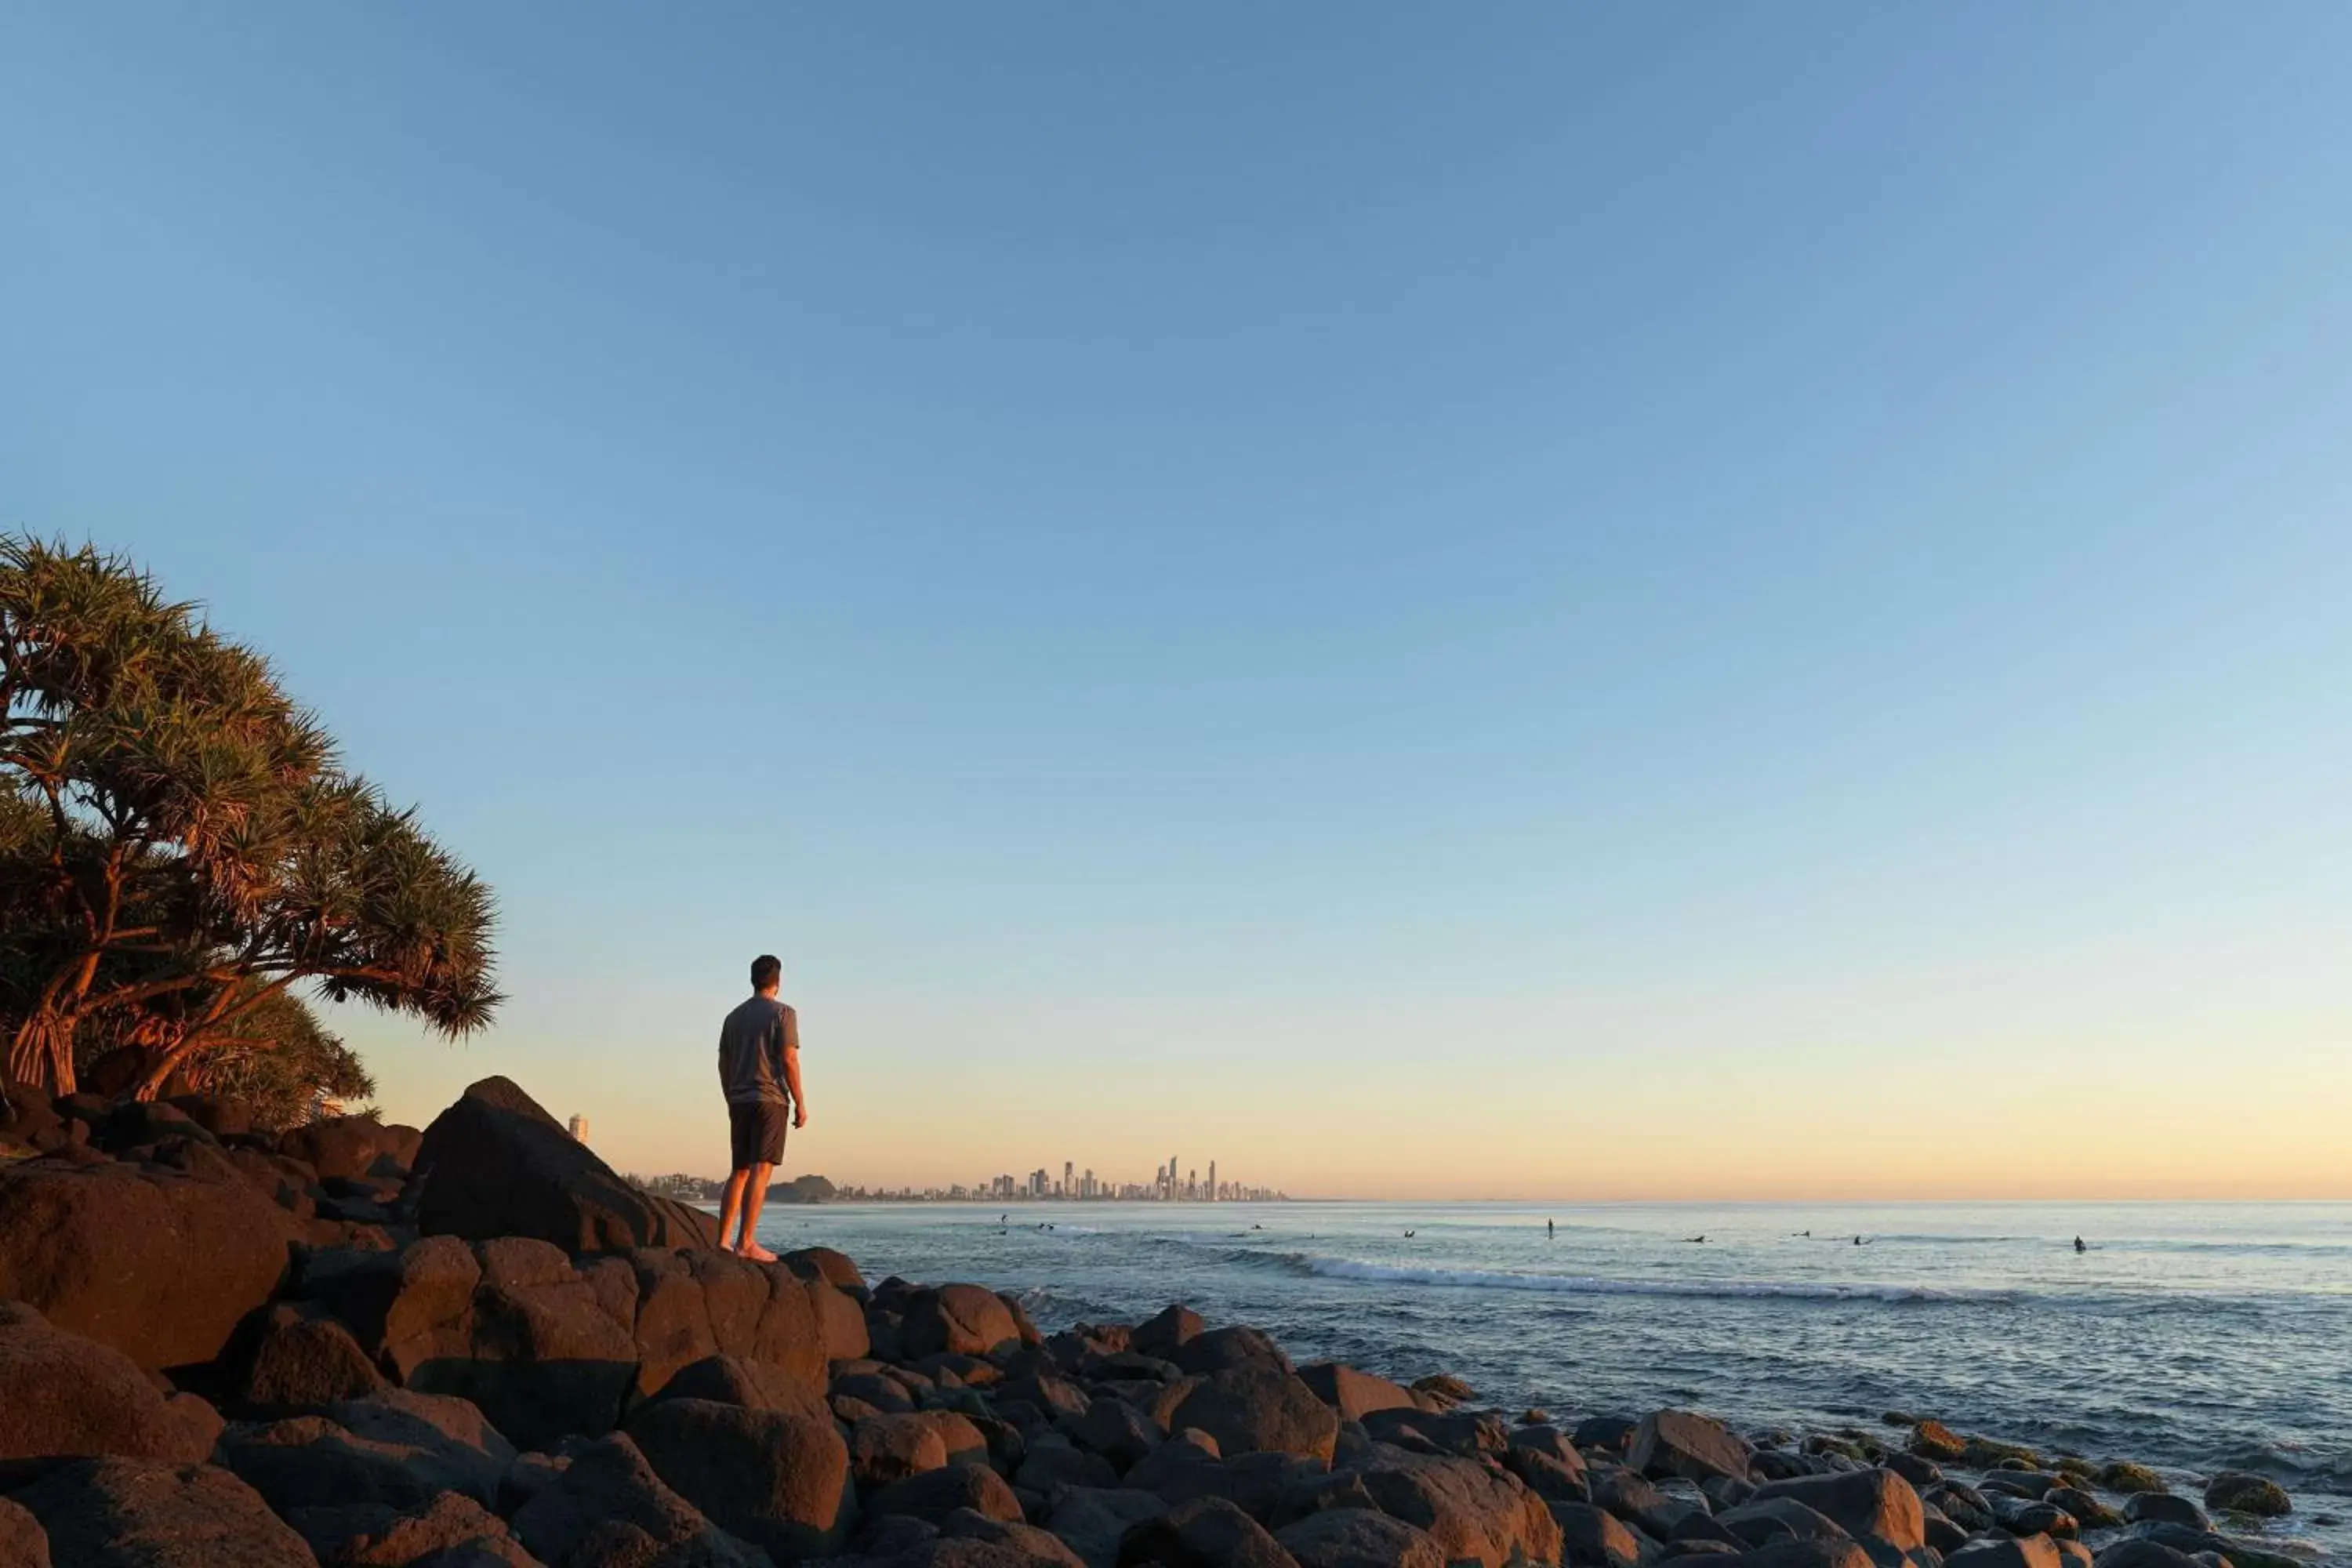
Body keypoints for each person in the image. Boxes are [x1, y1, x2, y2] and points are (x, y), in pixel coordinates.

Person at [713, 953, 808, 1262]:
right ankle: (746, 1243)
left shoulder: (733, 1017)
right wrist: (800, 1103)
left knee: (738, 1171)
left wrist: (730, 1094)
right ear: (777, 982)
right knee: (761, 1170)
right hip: (770, 1099)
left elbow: (723, 1062)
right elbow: (789, 1059)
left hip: (739, 1100)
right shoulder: (783, 1014)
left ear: (753, 979)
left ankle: (723, 1240)